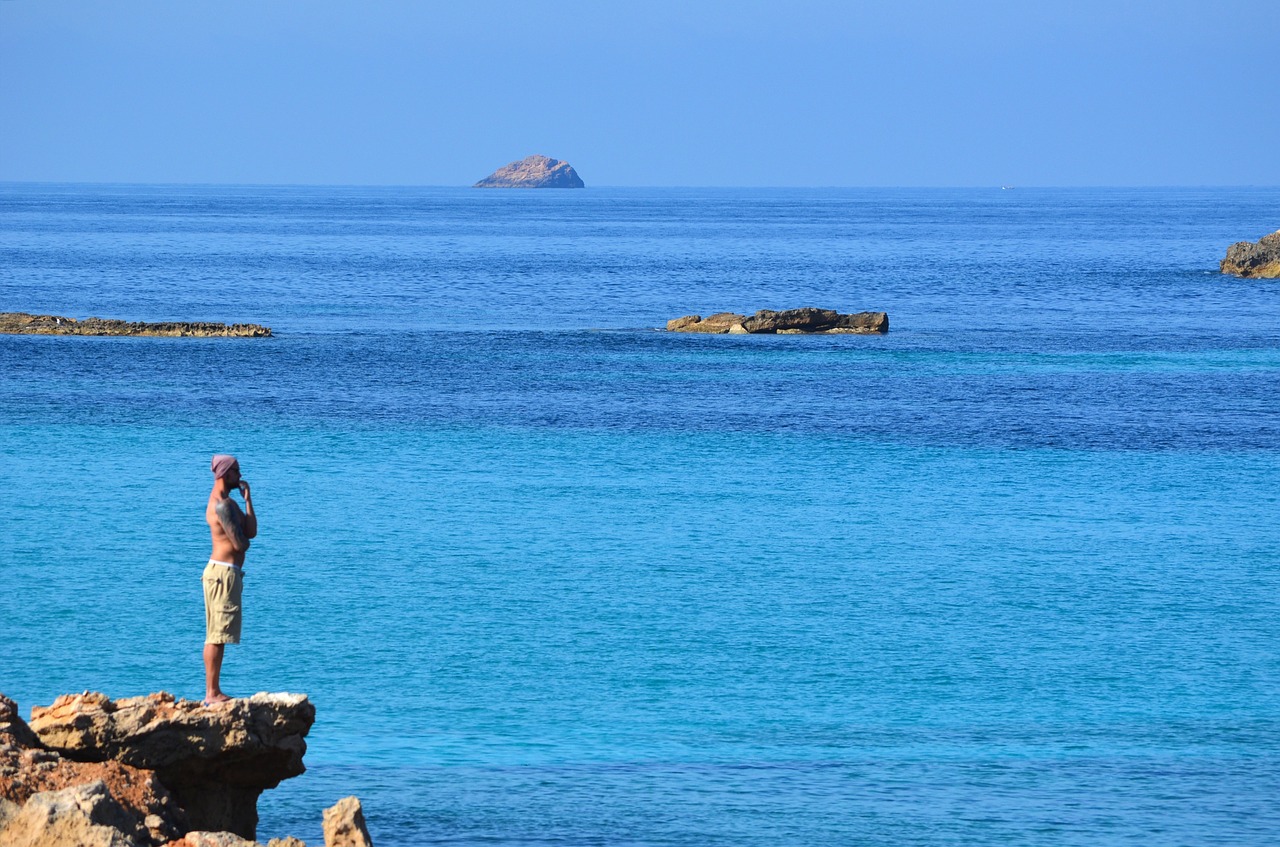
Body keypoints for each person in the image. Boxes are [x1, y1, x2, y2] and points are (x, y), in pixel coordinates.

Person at [203, 454, 257, 706]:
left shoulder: (231, 503)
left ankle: (214, 691)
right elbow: (241, 543)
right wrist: (242, 534)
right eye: (236, 470)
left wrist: (248, 501)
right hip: (222, 574)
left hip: (227, 574)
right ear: (225, 474)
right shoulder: (222, 506)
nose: (240, 474)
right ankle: (212, 693)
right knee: (216, 634)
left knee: (220, 633)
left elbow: (251, 532)